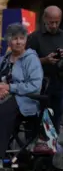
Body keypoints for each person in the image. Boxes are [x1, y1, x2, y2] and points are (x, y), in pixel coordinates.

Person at [0, 23, 43, 162]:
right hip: (5, 96)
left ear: (26, 40)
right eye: (14, 38)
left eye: (21, 38)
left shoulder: (31, 59)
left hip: (25, 100)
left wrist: (10, 88)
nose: (18, 42)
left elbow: (35, 85)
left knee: (2, 112)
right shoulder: (5, 59)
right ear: (8, 40)